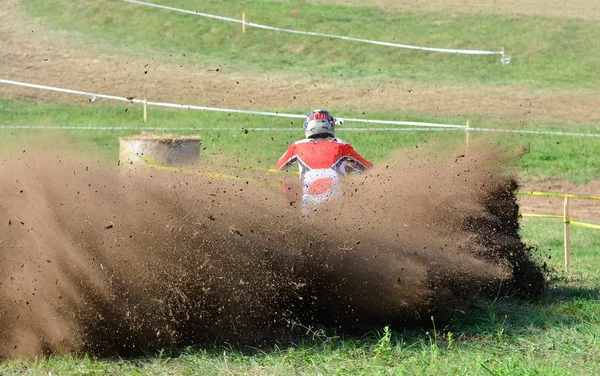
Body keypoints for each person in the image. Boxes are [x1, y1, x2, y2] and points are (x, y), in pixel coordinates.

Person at [276, 109, 373, 212]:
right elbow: (368, 167)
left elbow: (280, 166)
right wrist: (349, 169)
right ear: (330, 125)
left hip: (308, 200)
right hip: (337, 200)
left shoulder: (296, 146)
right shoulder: (341, 145)